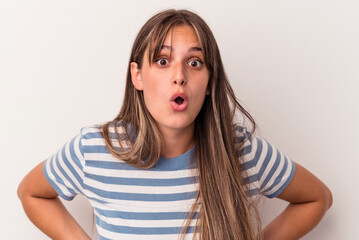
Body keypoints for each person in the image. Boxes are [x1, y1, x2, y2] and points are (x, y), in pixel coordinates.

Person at [17, 9, 332, 240]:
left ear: (210, 82)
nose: (179, 75)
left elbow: (318, 198)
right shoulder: (95, 150)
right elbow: (31, 193)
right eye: (162, 61)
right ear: (137, 76)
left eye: (195, 63)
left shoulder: (242, 153)